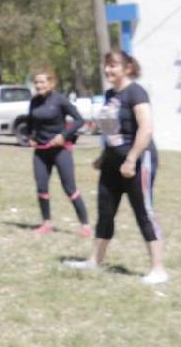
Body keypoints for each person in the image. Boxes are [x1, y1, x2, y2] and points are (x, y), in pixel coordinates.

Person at [66, 51, 166, 284]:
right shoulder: (111, 94)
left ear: (128, 67)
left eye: (114, 66)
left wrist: (131, 159)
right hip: (112, 163)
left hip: (139, 161)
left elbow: (146, 129)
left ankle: (158, 269)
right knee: (105, 210)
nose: (109, 70)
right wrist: (104, 157)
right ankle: (95, 261)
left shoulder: (136, 92)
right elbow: (112, 132)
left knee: (144, 212)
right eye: (106, 66)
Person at [26, 69, 90, 236]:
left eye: (42, 82)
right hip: (41, 152)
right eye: (36, 82)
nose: (39, 85)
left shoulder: (60, 100)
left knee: (69, 187)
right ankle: (46, 223)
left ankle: (85, 225)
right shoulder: (34, 102)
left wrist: (64, 135)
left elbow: (79, 120)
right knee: (41, 187)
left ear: (51, 83)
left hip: (60, 150)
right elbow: (32, 122)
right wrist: (31, 136)